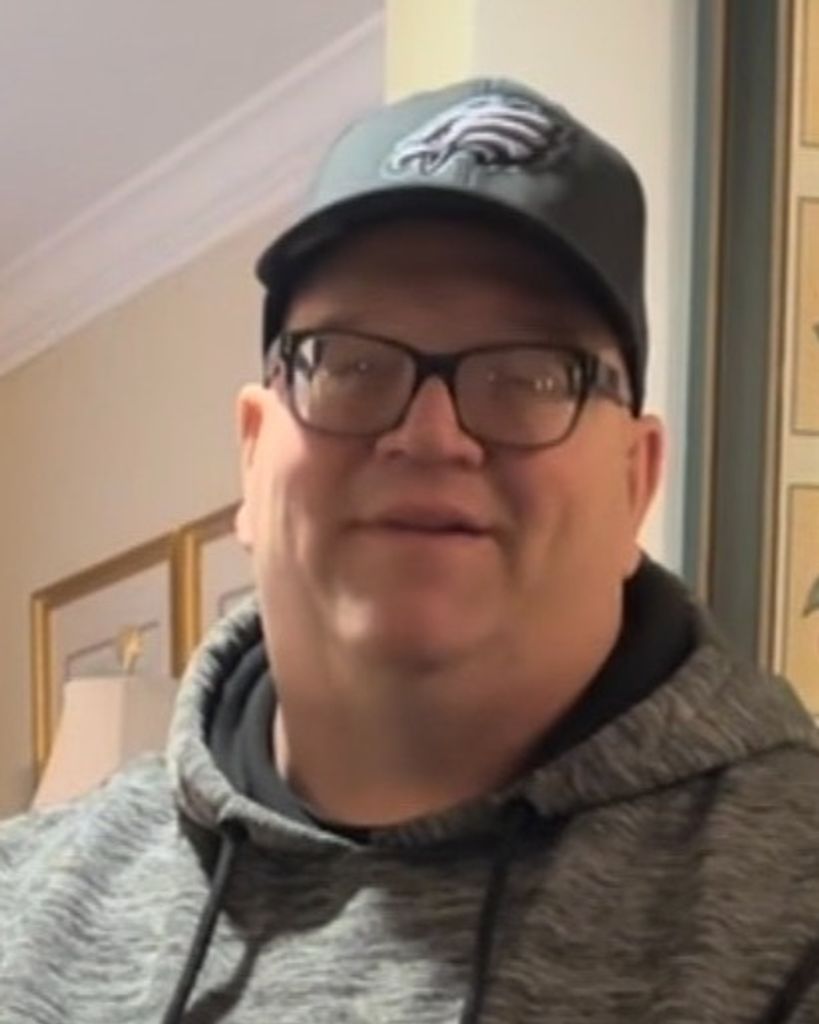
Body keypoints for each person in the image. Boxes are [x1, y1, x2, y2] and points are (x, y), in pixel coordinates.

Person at [2, 78, 819, 1024]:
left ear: (634, 480)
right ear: (253, 454)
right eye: (350, 365)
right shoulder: (23, 916)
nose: (430, 436)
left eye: (528, 376)